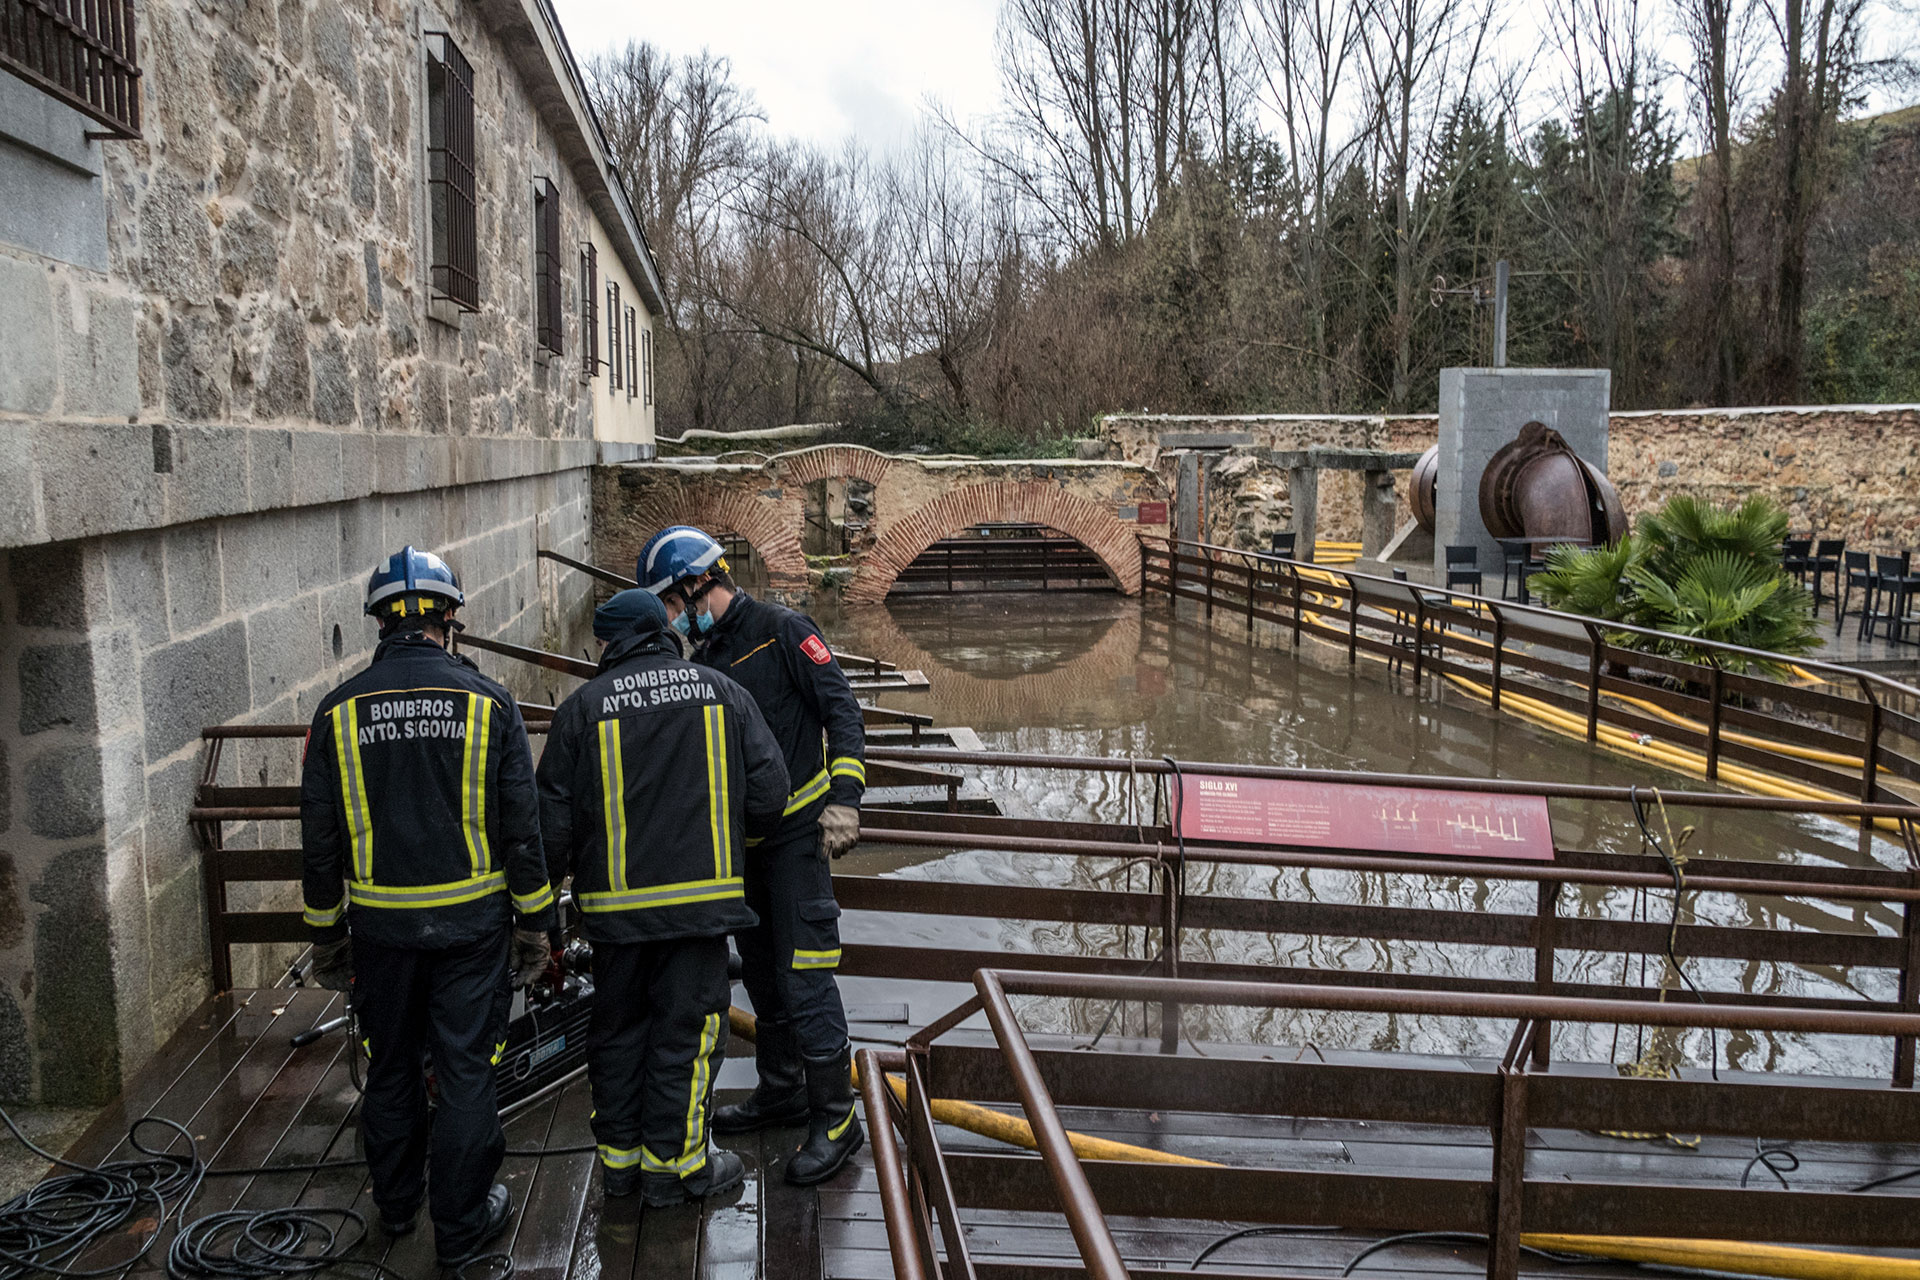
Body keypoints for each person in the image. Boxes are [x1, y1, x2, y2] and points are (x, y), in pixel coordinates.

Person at [300, 547, 556, 1269]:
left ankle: (396, 1203)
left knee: (389, 1070)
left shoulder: (337, 712)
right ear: (451, 621)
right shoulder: (490, 704)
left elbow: (319, 844)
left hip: (381, 932)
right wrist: (534, 926)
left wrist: (327, 938)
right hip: (473, 930)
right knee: (467, 1072)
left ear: (380, 623)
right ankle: (464, 1230)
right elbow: (522, 831)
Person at [536, 589, 789, 1205]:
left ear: (608, 644)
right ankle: (679, 1169)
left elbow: (552, 829)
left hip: (614, 921)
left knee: (618, 1033)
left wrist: (543, 915)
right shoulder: (722, 692)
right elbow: (771, 793)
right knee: (688, 1036)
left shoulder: (582, 709)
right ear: (665, 632)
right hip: (701, 913)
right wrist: (735, 847)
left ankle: (621, 1170)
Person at [636, 526, 868, 1186]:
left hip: (799, 841)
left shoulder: (784, 629)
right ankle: (783, 1089)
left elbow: (842, 712)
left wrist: (845, 798)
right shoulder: (702, 657)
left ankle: (837, 1118)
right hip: (743, 851)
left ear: (693, 586)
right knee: (763, 977)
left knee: (807, 976)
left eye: (673, 606)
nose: (674, 620)